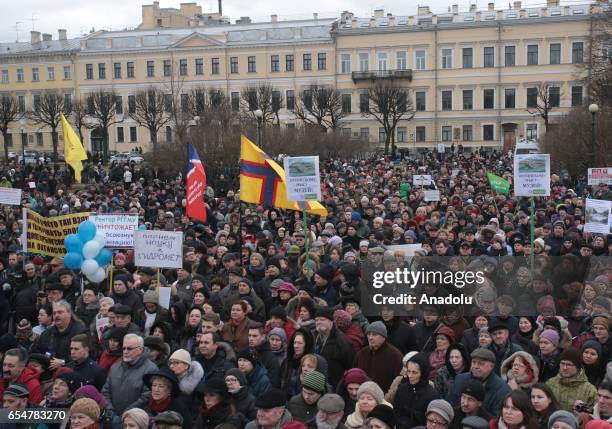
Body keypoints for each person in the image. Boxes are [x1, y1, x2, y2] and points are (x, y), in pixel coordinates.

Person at [102, 333, 158, 415]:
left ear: (140, 350)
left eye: (129, 349)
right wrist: (110, 411)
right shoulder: (115, 367)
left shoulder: (151, 369)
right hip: (113, 418)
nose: (125, 352)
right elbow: (105, 391)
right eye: (124, 348)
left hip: (135, 420)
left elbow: (147, 396)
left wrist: (127, 414)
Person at [447, 348, 512, 416]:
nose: (475, 366)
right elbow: (450, 404)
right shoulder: (460, 379)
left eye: (481, 364)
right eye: (474, 362)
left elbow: (496, 418)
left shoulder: (502, 390)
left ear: (491, 366)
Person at [394, 353, 440, 429]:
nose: (410, 376)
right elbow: (395, 411)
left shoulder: (432, 395)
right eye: (409, 371)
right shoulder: (402, 388)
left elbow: (431, 422)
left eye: (414, 372)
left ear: (423, 373)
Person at [355, 321, 403, 393]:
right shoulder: (361, 354)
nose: (370, 337)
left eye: (374, 334)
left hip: (385, 399)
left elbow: (399, 382)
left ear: (383, 337)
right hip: (364, 396)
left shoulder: (395, 355)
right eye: (369, 334)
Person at [313, 307, 354, 387]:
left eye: (322, 319)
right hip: (316, 383)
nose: (318, 322)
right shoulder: (313, 337)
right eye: (316, 320)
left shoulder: (342, 341)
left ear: (331, 321)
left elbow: (350, 364)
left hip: (335, 385)